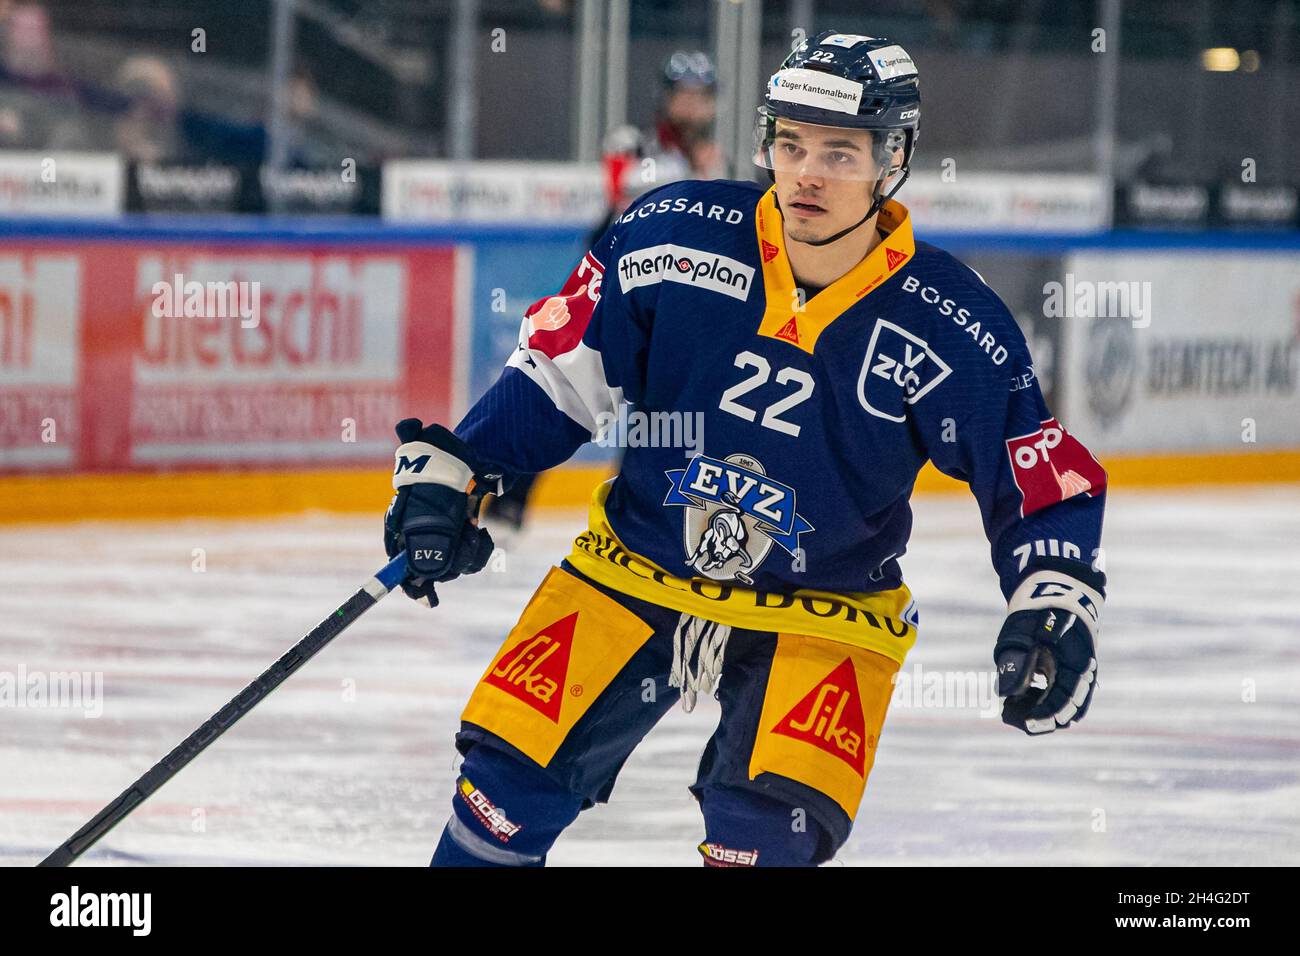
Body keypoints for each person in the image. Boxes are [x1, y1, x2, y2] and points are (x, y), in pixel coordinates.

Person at [383, 31, 1108, 867]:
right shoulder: (672, 234)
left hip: (828, 608)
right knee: (499, 801)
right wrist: (459, 467)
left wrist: (1053, 596)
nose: (806, 171)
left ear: (894, 158)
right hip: (634, 568)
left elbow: (1037, 475)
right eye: (791, 143)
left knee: (763, 841)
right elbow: (562, 374)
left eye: (841, 152)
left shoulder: (951, 320)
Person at [487, 50, 726, 530]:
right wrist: (697, 174)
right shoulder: (633, 142)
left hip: (675, 299)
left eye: (702, 98)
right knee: (561, 386)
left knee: (656, 411)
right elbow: (627, 195)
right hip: (614, 288)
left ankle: (633, 510)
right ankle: (506, 496)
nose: (694, 108)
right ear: (667, 98)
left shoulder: (719, 157)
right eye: (685, 96)